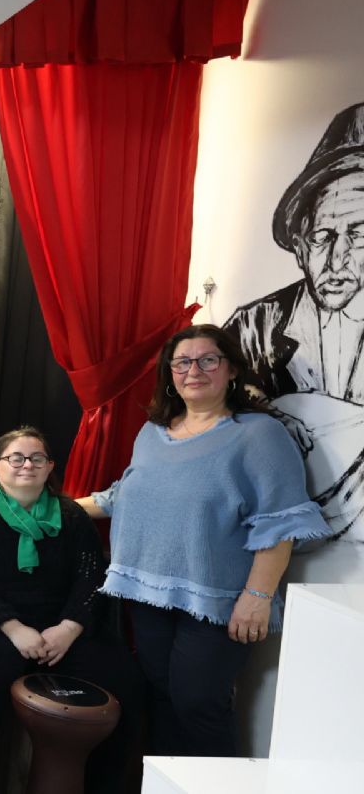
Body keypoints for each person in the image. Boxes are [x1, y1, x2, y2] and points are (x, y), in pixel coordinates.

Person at [78, 325, 330, 757]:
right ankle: (166, 784)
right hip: (148, 592)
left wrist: (257, 597)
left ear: (230, 369)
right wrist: (48, 505)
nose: (193, 370)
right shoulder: (152, 432)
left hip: (219, 600)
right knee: (161, 696)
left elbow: (280, 522)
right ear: (170, 374)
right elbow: (122, 496)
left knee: (199, 704)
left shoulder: (258, 434)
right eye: (182, 362)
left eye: (207, 360)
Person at [0, 427, 141, 794]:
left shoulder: (71, 516)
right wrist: (12, 627)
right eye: (16, 458)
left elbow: (91, 577)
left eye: (37, 458)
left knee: (126, 682)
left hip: (62, 627)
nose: (27, 465)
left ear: (50, 466)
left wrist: (69, 627)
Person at [227, 101, 364, 404]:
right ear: (299, 247)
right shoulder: (253, 326)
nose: (336, 260)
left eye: (358, 235)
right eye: (321, 237)